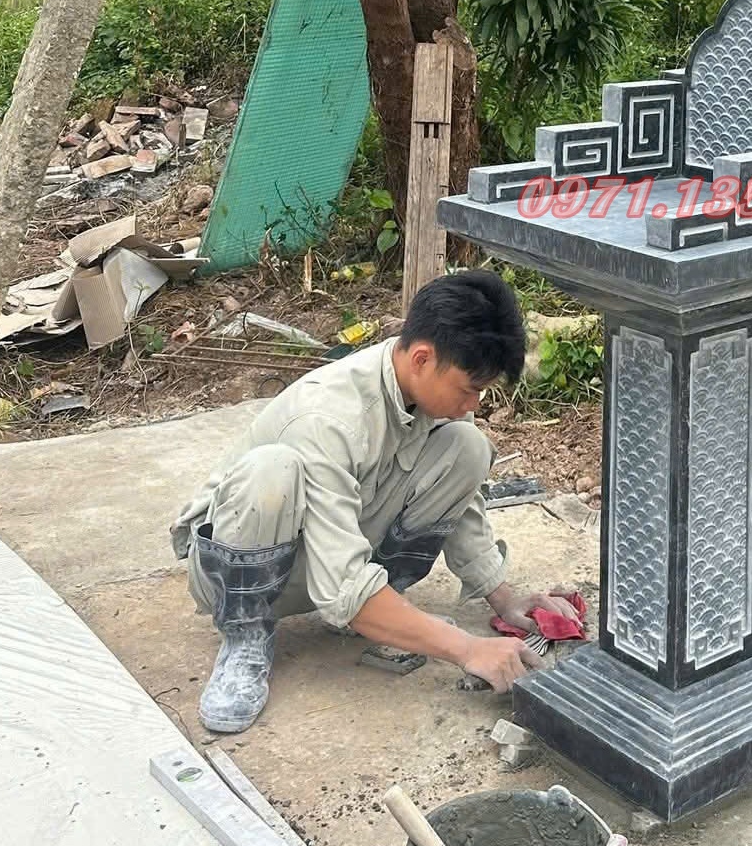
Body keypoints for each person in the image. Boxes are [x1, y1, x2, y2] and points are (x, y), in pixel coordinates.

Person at [169, 270, 579, 733]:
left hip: (322, 557)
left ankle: (382, 607)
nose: (475, 403)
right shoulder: (329, 418)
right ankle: (245, 636)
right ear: (422, 358)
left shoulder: (421, 392)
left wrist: (503, 598)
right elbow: (342, 583)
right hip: (238, 571)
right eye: (469, 389)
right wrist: (468, 648)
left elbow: (461, 507)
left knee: (467, 447)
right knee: (272, 470)